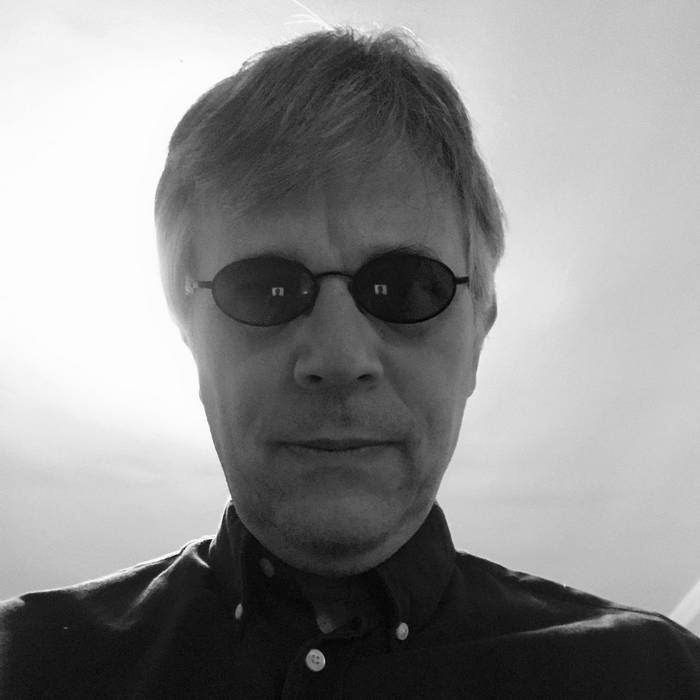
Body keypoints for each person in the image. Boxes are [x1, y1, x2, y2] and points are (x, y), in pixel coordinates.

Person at [1, 27, 699, 699]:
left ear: (479, 330)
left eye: (406, 288)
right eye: (266, 289)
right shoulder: (23, 665)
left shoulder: (656, 677)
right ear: (189, 328)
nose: (338, 357)